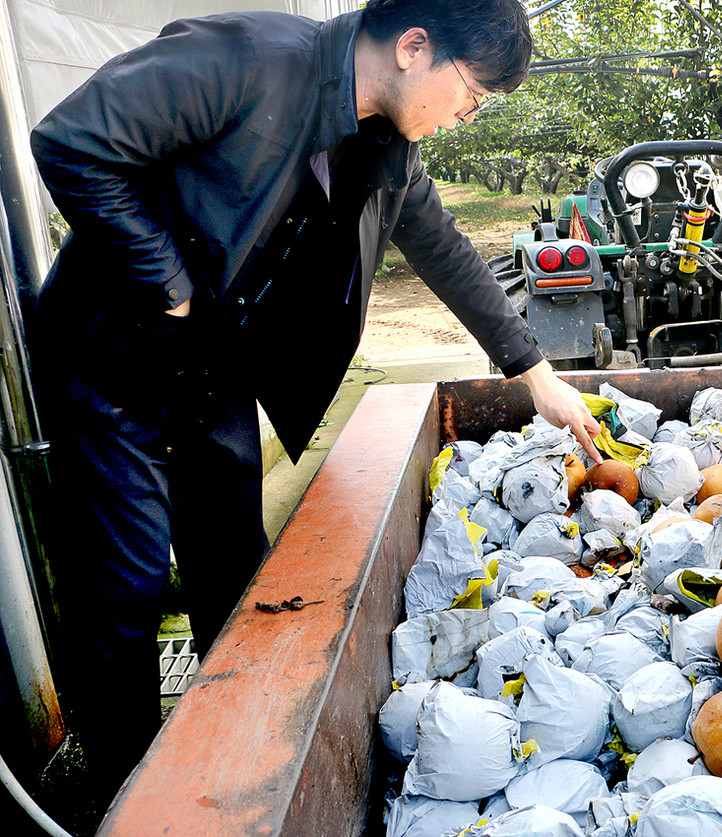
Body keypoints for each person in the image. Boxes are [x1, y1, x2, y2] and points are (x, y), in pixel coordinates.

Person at [28, 0, 600, 799]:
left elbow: (441, 246)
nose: (467, 116)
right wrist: (168, 284)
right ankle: (128, 788)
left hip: (214, 365)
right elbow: (71, 143)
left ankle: (240, 765)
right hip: (114, 352)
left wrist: (532, 370)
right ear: (413, 47)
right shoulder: (244, 57)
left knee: (231, 563)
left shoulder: (386, 146)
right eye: (470, 93)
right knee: (126, 577)